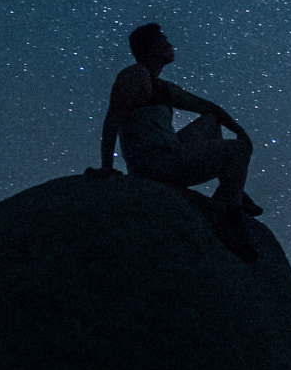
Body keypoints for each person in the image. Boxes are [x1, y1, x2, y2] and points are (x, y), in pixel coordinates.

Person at [99, 23, 262, 252]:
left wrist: (239, 130)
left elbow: (208, 108)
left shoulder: (162, 87)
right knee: (236, 151)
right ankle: (225, 217)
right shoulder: (134, 76)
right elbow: (112, 119)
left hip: (171, 153)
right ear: (151, 47)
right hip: (153, 163)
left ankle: (234, 192)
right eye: (164, 41)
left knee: (210, 122)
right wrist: (106, 166)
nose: (170, 45)